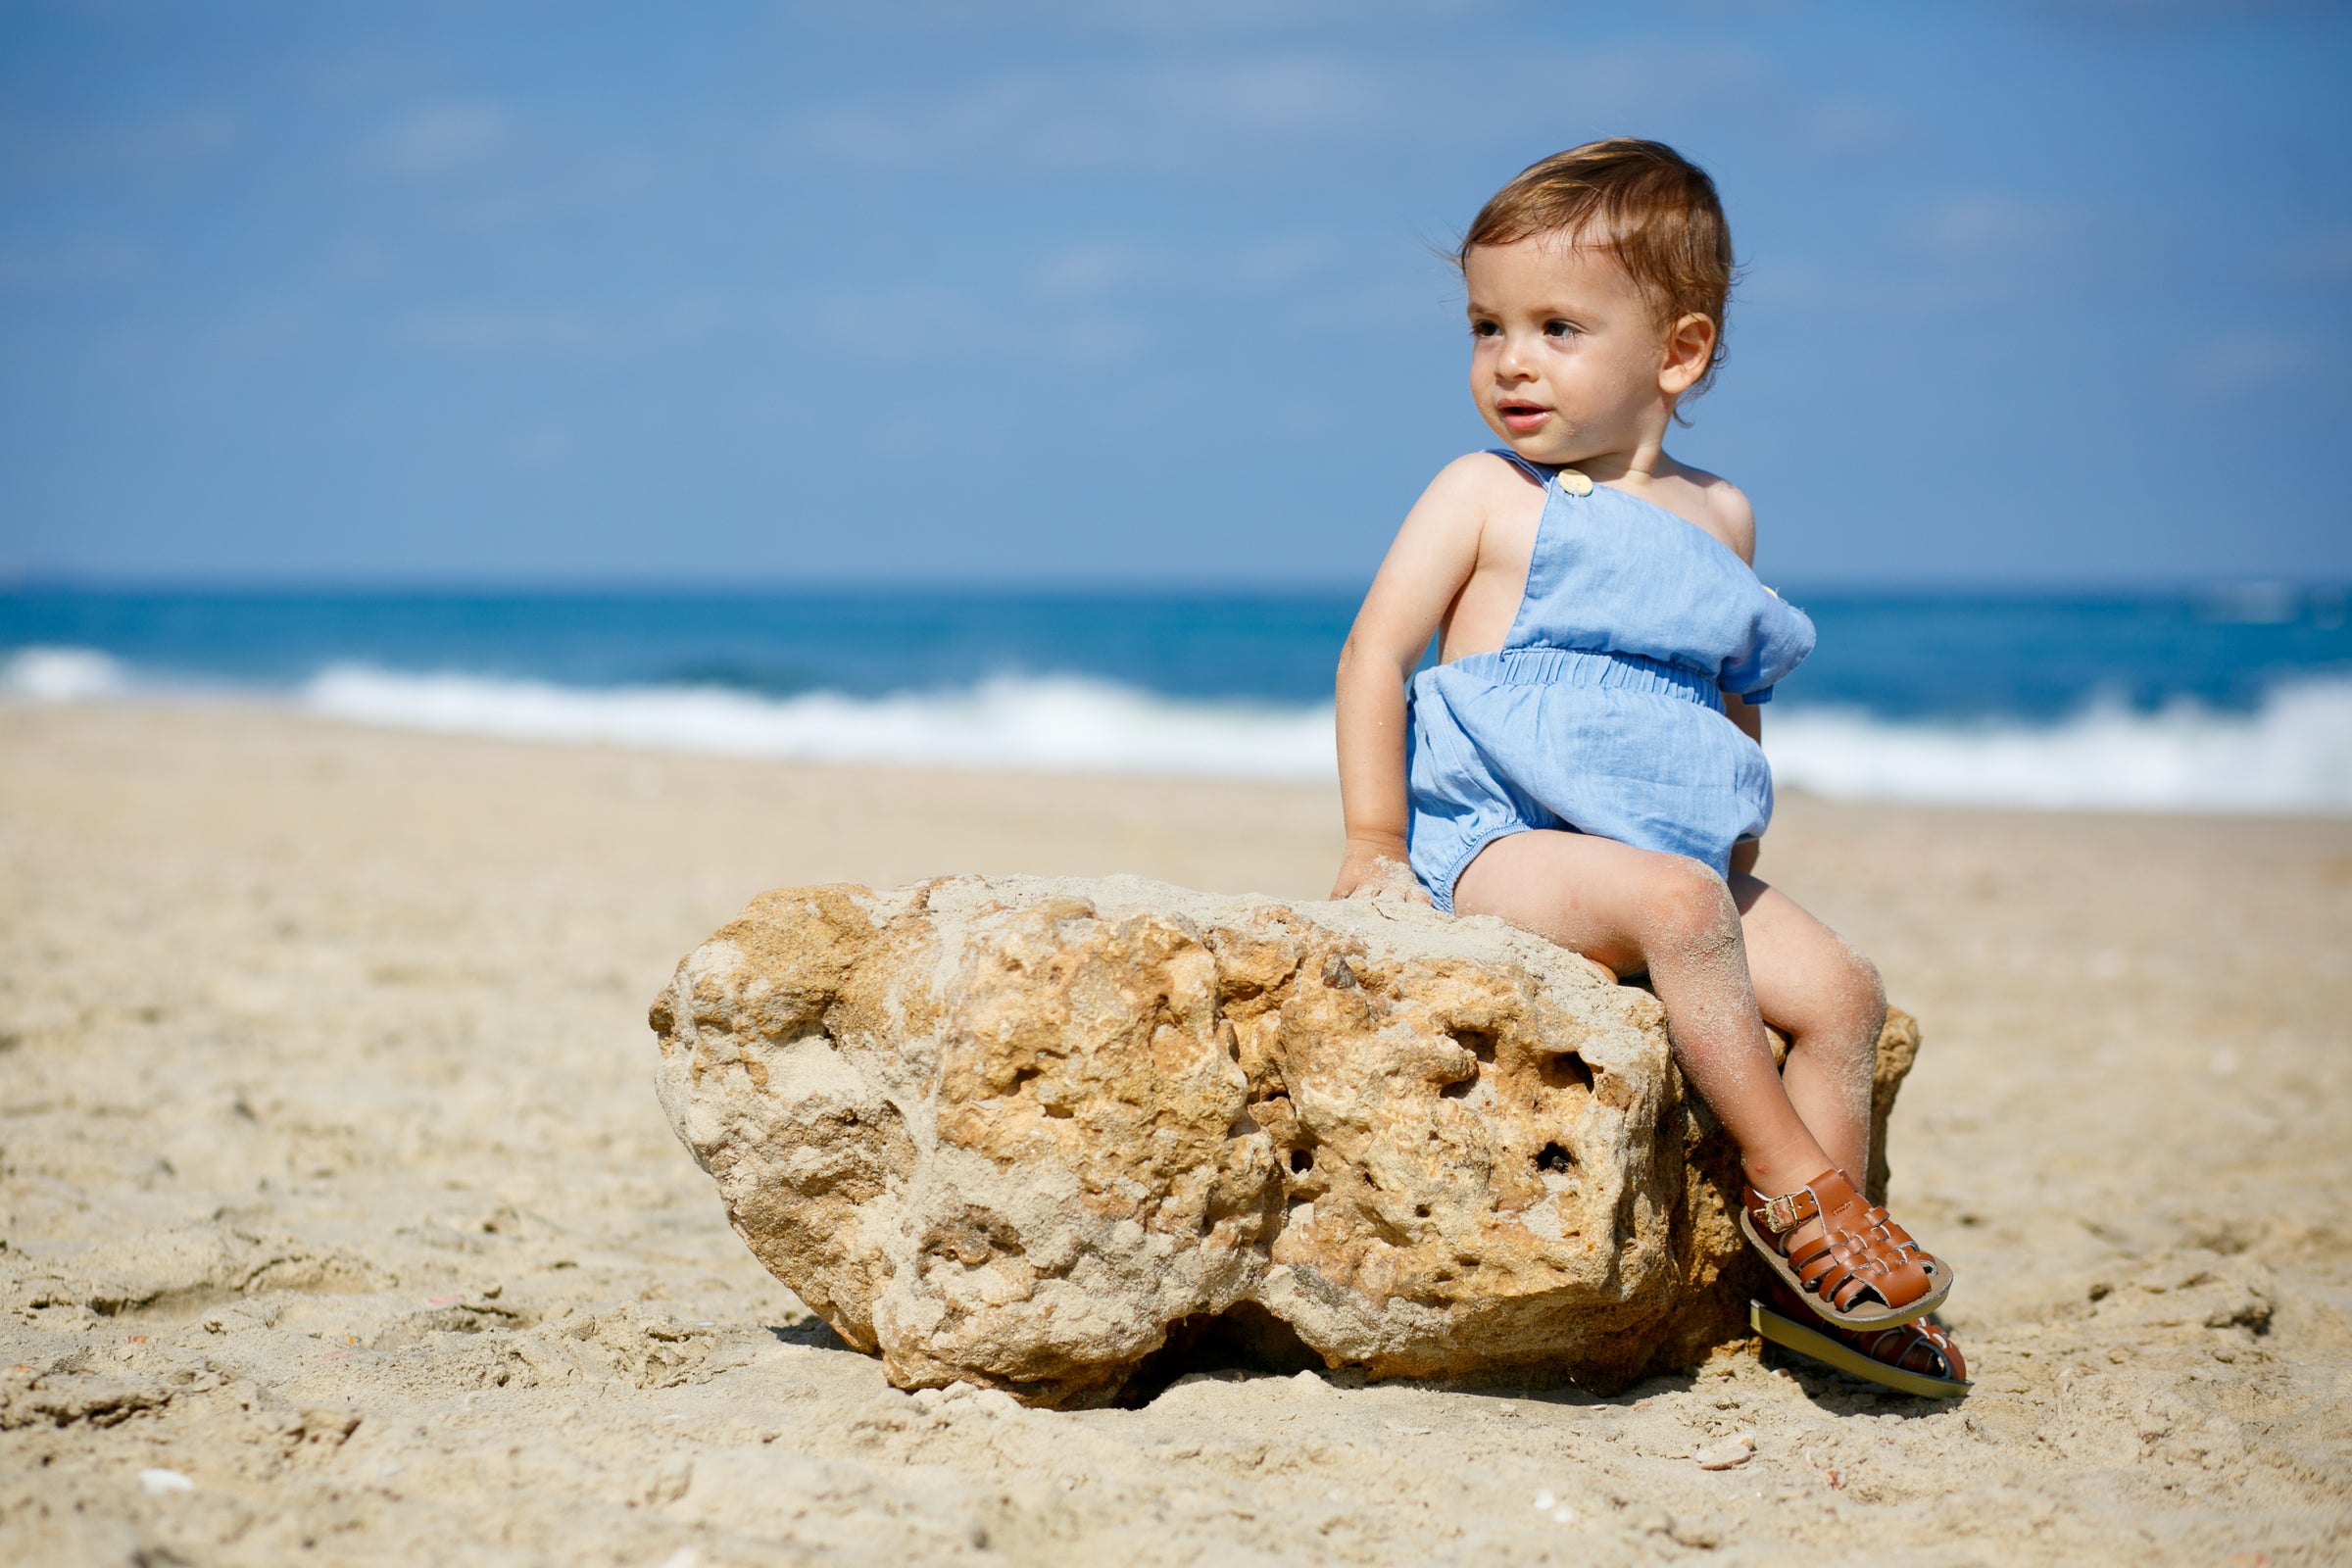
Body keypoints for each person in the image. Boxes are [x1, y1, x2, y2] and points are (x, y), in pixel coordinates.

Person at [1329, 139, 1966, 1397]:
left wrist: (1740, 846)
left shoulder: (1720, 515)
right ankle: (1804, 1199)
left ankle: (1815, 1295)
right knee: (1677, 910)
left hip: (1674, 857)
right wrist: (1374, 841)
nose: (1511, 360)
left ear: (1675, 352)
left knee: (1841, 989)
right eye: (1487, 326)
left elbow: (1730, 699)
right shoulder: (1486, 495)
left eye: (1558, 326)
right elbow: (1373, 652)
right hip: (1506, 848)